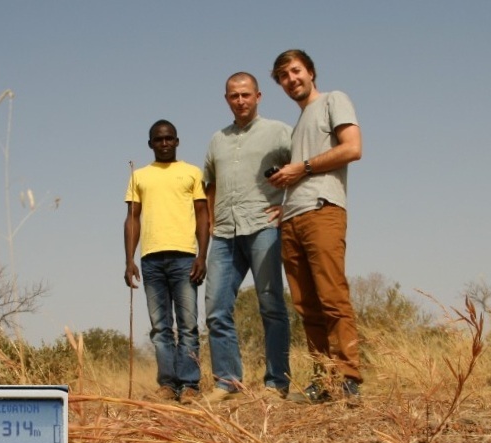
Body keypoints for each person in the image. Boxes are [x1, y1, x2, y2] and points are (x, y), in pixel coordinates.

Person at [268, 49, 363, 403]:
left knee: (332, 296)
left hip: (323, 210)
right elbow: (299, 173)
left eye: (295, 71)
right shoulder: (297, 126)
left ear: (310, 71)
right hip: (292, 217)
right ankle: (325, 380)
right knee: (306, 305)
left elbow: (353, 148)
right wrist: (285, 202)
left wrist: (301, 168)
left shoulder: (333, 101)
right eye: (283, 76)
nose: (291, 79)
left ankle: (348, 376)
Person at [203, 72, 292, 402]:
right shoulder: (217, 139)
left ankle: (276, 383)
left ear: (258, 96)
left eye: (245, 95)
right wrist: (212, 217)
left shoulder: (280, 132)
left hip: (263, 226)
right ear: (226, 99)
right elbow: (209, 181)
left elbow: (302, 169)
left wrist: (288, 206)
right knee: (215, 308)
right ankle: (228, 382)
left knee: (270, 304)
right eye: (233, 96)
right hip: (224, 232)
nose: (240, 101)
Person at [124, 119, 210, 405]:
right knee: (160, 327)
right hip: (150, 259)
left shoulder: (192, 173)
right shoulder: (139, 176)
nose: (164, 144)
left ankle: (189, 385)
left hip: (185, 257)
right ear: (150, 144)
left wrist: (202, 255)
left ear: (177, 141)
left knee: (187, 324)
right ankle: (167, 385)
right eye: (158, 140)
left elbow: (202, 214)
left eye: (169, 139)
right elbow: (132, 218)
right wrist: (129, 260)